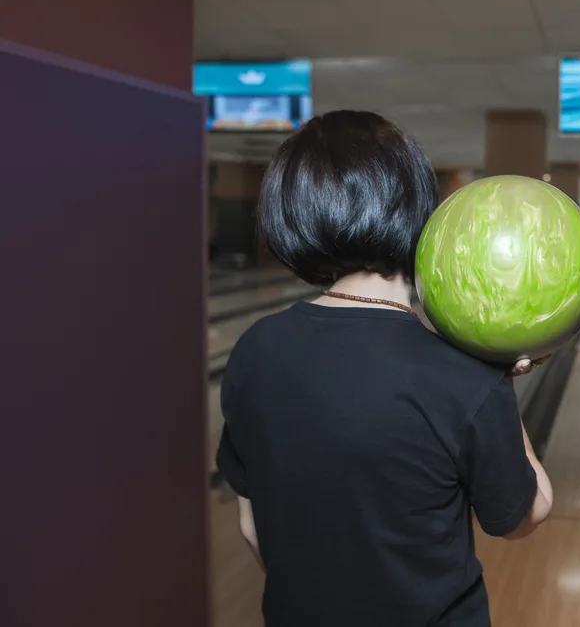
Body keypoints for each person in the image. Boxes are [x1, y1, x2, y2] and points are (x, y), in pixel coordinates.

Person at [215, 110, 553, 626]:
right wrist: (497, 378)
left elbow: (251, 526)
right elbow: (524, 514)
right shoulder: (463, 377)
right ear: (420, 211)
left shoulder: (254, 350)